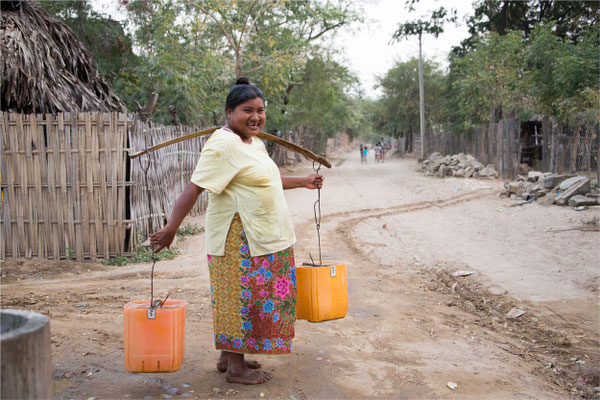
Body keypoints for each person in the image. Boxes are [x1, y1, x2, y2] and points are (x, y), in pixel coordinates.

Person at [150, 77, 324, 385]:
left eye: (260, 110)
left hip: (264, 234)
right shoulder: (222, 144)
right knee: (240, 299)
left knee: (254, 298)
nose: (256, 117)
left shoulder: (253, 142)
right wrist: (171, 229)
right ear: (230, 111)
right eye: (247, 110)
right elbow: (193, 189)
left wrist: (303, 181)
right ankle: (235, 368)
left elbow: (265, 180)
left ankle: (227, 356)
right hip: (239, 239)